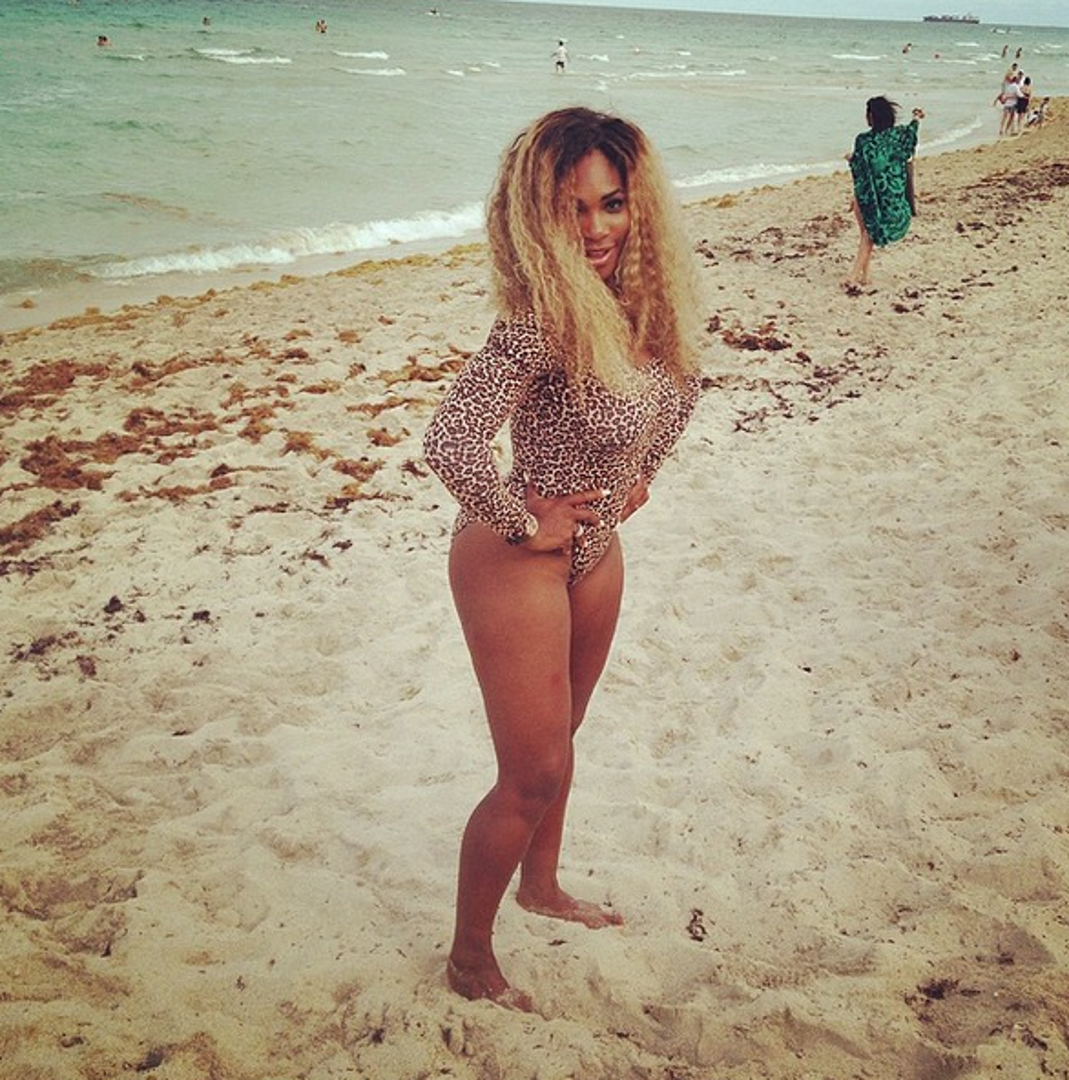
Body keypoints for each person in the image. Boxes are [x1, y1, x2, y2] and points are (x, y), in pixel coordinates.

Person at [423, 107, 702, 1010]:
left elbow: (678, 398)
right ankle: (469, 958)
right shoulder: (540, 323)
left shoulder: (648, 307)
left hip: (596, 551)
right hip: (516, 561)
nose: (594, 229)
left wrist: (640, 477)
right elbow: (450, 440)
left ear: (637, 204)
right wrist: (519, 521)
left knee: (561, 742)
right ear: (535, 218)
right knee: (532, 771)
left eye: (610, 204)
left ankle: (539, 887)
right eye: (570, 209)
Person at [844, 97, 924, 290]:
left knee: (867, 235)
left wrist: (851, 159)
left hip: (868, 197)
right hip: (885, 197)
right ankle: (865, 275)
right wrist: (916, 118)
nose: (866, 117)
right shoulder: (897, 136)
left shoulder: (864, 140)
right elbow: (911, 134)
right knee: (866, 235)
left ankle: (853, 277)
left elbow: (860, 169)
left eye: (868, 114)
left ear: (872, 116)